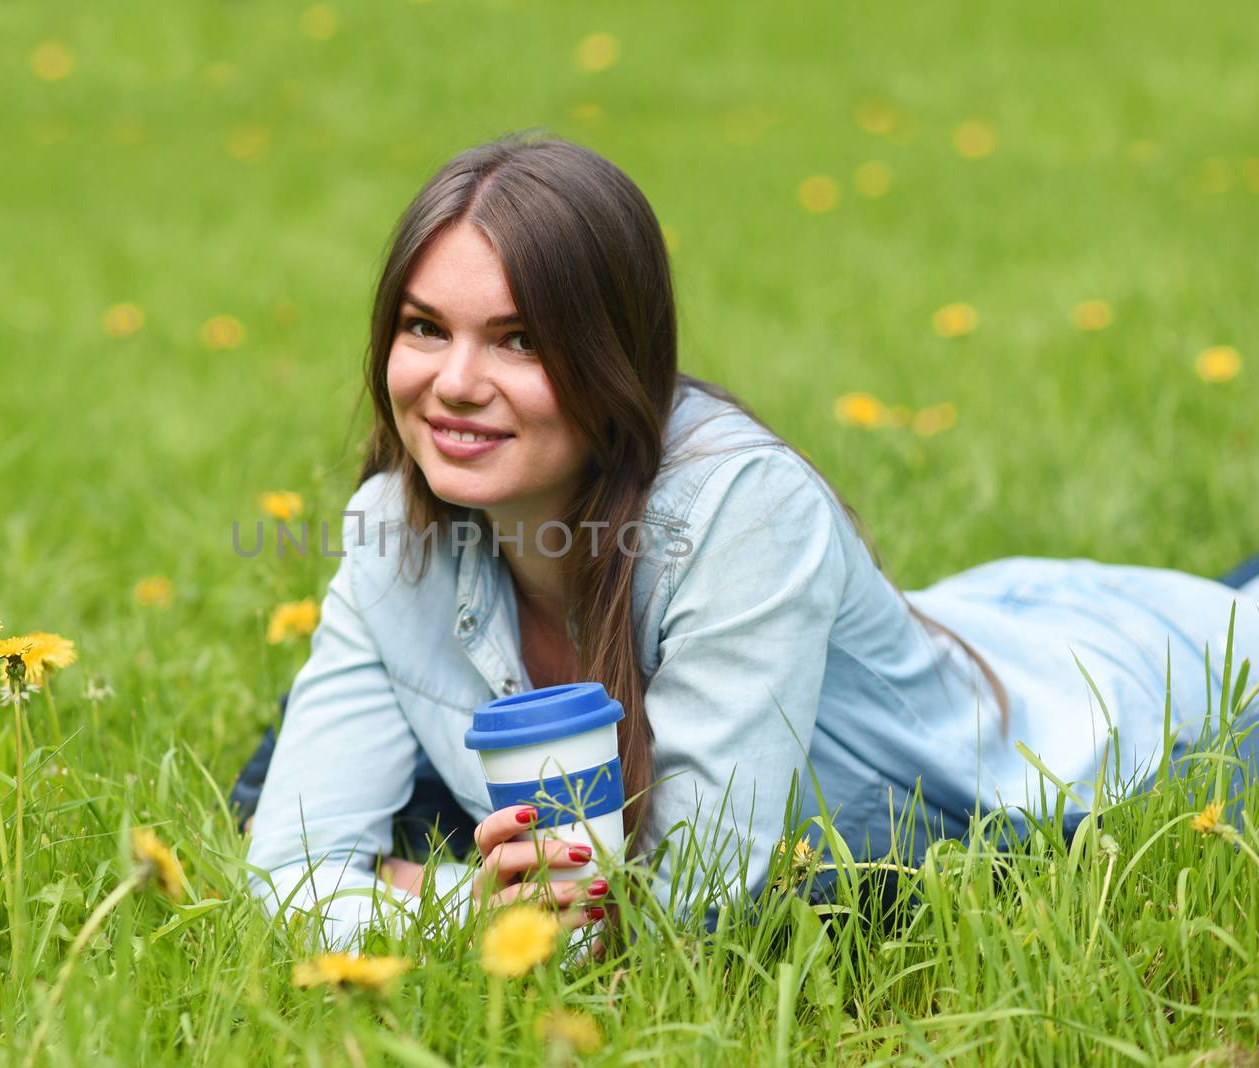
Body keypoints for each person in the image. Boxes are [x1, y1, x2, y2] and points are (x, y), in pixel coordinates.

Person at [237, 131, 1259, 952]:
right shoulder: (389, 531)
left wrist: (412, 893)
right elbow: (284, 873)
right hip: (980, 624)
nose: (453, 381)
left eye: (518, 339)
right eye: (423, 328)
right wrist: (475, 911)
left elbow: (692, 917)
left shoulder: (741, 510)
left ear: (610, 359)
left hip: (1133, 710)